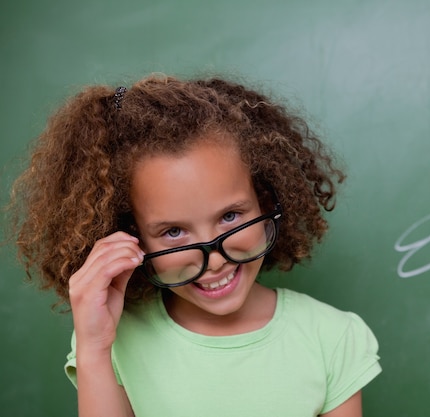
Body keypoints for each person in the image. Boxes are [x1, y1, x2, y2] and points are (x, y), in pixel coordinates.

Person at [9, 73, 381, 416]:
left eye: (230, 216)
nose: (215, 258)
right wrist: (93, 351)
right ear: (130, 236)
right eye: (173, 232)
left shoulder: (333, 339)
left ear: (266, 201)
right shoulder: (110, 342)